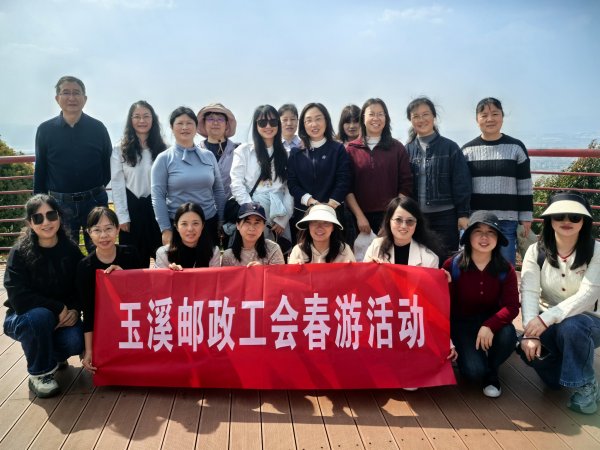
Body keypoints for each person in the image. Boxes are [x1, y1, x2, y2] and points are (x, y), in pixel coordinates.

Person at [520, 192, 600, 414]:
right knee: (537, 361)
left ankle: (586, 385)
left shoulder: (596, 251)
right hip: (548, 323)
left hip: (589, 322)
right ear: (550, 220)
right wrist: (530, 333)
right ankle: (567, 366)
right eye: (559, 216)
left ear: (584, 221)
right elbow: (529, 291)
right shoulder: (536, 251)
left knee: (572, 326)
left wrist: (545, 319)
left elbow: (588, 295)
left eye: (574, 217)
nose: (566, 221)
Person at [3, 194, 84, 398]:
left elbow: (82, 287)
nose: (46, 222)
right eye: (38, 218)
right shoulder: (19, 253)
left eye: (51, 215)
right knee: (40, 317)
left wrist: (75, 310)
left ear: (59, 217)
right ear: (30, 223)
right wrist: (57, 308)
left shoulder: (70, 250)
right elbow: (18, 298)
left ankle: (51, 356)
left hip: (61, 319)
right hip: (23, 317)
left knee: (76, 340)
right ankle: (40, 374)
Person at [443, 211, 519, 398]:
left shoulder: (506, 269)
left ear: (498, 239)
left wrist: (490, 325)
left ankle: (492, 371)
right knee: (473, 372)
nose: (484, 237)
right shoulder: (452, 265)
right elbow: (443, 305)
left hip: (492, 323)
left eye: (491, 232)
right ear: (469, 236)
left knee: (508, 334)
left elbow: (512, 306)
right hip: (462, 325)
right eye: (478, 231)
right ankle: (476, 361)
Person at [33, 75, 112, 251]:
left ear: (85, 98)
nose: (71, 97)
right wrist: (38, 206)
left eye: (76, 93)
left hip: (94, 200)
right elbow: (41, 169)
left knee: (100, 250)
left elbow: (107, 165)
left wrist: (93, 189)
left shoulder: (98, 128)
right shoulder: (45, 130)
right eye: (66, 92)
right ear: (57, 98)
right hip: (60, 204)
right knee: (64, 253)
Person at [462, 97, 533, 266]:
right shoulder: (467, 150)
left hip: (507, 220)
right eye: (484, 115)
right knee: (474, 267)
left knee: (504, 267)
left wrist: (526, 217)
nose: (490, 119)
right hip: (476, 221)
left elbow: (524, 185)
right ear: (477, 119)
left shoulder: (516, 147)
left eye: (495, 114)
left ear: (502, 117)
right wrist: (462, 215)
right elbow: (461, 188)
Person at [77, 207, 143, 374]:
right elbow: (88, 312)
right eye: (97, 230)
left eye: (108, 229)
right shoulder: (85, 266)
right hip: (104, 326)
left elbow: (143, 294)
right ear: (89, 233)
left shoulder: (131, 254)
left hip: (132, 323)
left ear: (118, 229)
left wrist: (124, 278)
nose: (103, 235)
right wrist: (89, 351)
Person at [405, 97, 471, 263]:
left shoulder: (450, 147)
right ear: (410, 120)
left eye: (425, 114)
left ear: (434, 116)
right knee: (418, 262)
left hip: (445, 218)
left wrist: (463, 214)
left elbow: (461, 182)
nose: (421, 119)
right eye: (416, 116)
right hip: (416, 218)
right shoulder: (406, 150)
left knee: (445, 262)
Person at [151, 106, 225, 247]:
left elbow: (219, 190)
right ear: (172, 128)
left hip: (208, 223)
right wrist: (165, 229)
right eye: (180, 123)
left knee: (209, 260)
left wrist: (221, 220)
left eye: (189, 123)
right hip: (178, 225)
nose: (185, 127)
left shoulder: (208, 156)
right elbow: (157, 196)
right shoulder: (164, 158)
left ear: (196, 127)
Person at [111, 100, 166, 267]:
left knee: (164, 260)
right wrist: (122, 217)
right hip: (132, 210)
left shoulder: (164, 148)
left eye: (146, 116)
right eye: (137, 116)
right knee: (133, 264)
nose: (142, 121)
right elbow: (117, 184)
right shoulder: (119, 149)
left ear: (153, 119)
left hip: (157, 210)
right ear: (131, 120)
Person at [346, 98, 413, 236]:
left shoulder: (397, 148)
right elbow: (347, 187)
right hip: (359, 220)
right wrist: (359, 216)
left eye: (380, 114)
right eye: (371, 114)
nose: (376, 118)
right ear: (363, 118)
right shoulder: (351, 150)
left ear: (386, 118)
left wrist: (390, 219)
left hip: (392, 217)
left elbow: (406, 185)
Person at [230, 104, 294, 247]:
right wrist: (252, 213)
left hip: (279, 215)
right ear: (256, 125)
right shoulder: (243, 151)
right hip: (251, 214)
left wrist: (283, 220)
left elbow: (290, 188)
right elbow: (236, 184)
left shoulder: (287, 154)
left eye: (273, 122)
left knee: (276, 254)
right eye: (262, 122)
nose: (268, 126)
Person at [287, 102, 351, 237]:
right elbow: (292, 184)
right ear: (303, 124)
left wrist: (330, 205)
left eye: (318, 119)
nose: (314, 124)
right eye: (308, 120)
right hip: (304, 215)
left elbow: (344, 180)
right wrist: (311, 201)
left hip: (333, 214)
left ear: (326, 121)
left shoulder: (338, 149)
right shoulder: (296, 153)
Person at [363, 195, 440, 267]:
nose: (403, 226)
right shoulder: (376, 247)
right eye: (398, 220)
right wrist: (369, 267)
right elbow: (363, 275)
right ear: (389, 221)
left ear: (417, 224)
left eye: (410, 221)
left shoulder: (430, 259)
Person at [154, 202, 221, 270]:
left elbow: (215, 276)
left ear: (203, 225)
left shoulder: (213, 252)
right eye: (184, 224)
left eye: (195, 223)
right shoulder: (163, 254)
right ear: (176, 227)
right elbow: (159, 277)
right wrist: (171, 273)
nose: (190, 229)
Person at [196, 103, 239, 199]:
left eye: (220, 119)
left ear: (226, 124)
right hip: (202, 205)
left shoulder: (238, 150)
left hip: (233, 205)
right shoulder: (194, 152)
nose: (215, 123)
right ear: (204, 123)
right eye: (210, 119)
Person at [221, 203, 285, 266]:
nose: (252, 228)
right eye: (247, 222)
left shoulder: (272, 249)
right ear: (238, 225)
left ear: (263, 226)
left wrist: (262, 270)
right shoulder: (228, 256)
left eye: (257, 223)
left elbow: (279, 272)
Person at [289, 204, 356, 263]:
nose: (319, 227)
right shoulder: (298, 250)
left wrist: (350, 268)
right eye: (315, 222)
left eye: (326, 223)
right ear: (308, 226)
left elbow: (354, 273)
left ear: (333, 227)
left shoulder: (344, 250)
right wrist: (294, 268)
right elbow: (289, 274)